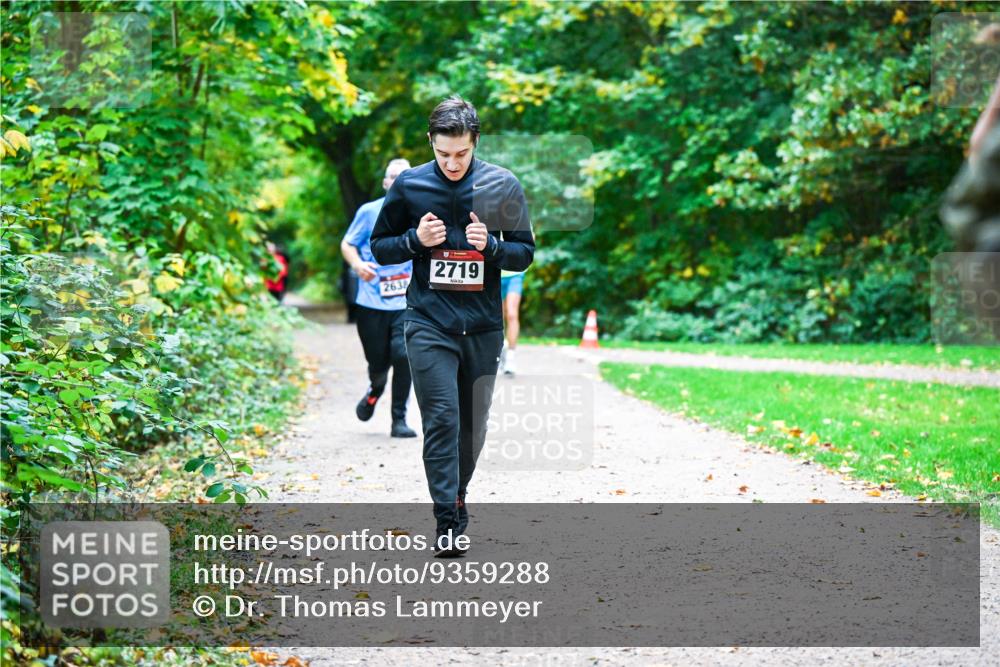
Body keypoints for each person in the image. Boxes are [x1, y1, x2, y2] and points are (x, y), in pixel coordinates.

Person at [370, 96, 535, 556]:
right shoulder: (410, 185)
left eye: (461, 153)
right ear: (431, 143)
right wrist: (413, 240)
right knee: (441, 419)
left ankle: (458, 495)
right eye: (443, 154)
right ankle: (447, 519)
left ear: (474, 142)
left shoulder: (503, 185)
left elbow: (525, 251)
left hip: (482, 327)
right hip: (428, 322)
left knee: (472, 430)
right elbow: (380, 246)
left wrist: (494, 250)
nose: (452, 163)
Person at [341, 158, 418, 438]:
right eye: (393, 177)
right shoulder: (368, 211)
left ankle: (399, 419)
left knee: (404, 354)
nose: (398, 182)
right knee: (378, 363)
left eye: (404, 177)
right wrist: (358, 265)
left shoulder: (420, 212)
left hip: (405, 302)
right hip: (371, 302)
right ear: (386, 183)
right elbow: (348, 243)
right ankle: (375, 389)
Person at [499, 268, 525, 376]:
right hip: (494, 273)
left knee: (512, 314)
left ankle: (510, 356)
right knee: (498, 315)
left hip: (515, 273)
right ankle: (500, 351)